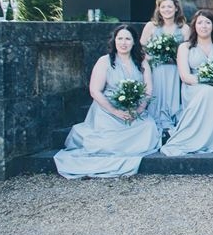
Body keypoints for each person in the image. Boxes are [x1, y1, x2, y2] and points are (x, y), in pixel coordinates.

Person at [54, 25, 161, 178]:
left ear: (133, 42)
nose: (123, 43)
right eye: (120, 38)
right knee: (107, 142)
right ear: (114, 41)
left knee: (148, 127)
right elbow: (95, 91)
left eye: (127, 39)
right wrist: (115, 111)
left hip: (134, 110)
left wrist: (139, 110)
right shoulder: (105, 61)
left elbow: (148, 89)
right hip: (107, 110)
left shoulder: (141, 62)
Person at [161, 10, 213, 156]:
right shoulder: (185, 47)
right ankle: (195, 136)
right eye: (200, 22)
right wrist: (209, 81)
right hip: (194, 86)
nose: (204, 26)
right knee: (206, 91)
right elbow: (184, 76)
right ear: (194, 26)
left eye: (208, 22)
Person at [140, 0, 191, 135]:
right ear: (159, 9)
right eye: (163, 7)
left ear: (176, 8)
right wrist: (153, 56)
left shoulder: (184, 28)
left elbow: (189, 50)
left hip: (176, 69)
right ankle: (157, 118)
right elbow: (141, 48)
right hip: (155, 68)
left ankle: (172, 116)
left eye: (170, 6)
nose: (166, 10)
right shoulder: (151, 26)